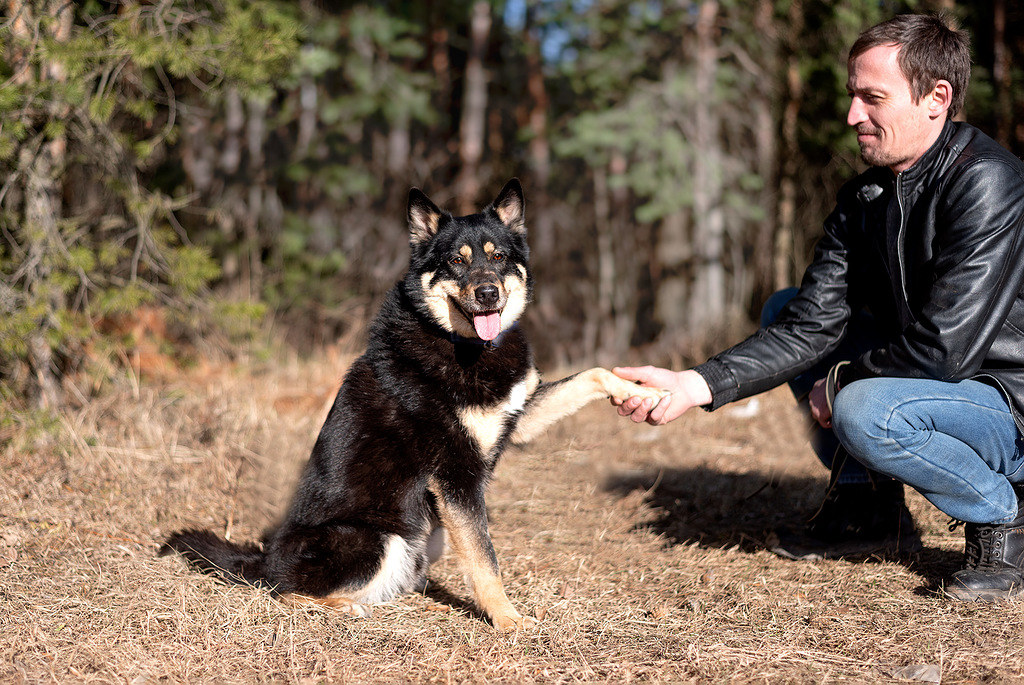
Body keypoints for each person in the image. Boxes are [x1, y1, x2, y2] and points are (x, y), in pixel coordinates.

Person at [614, 13, 1024, 602]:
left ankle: (1004, 518)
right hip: (938, 381)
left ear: (937, 99)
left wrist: (841, 381)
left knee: (864, 409)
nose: (853, 115)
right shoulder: (865, 196)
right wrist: (695, 384)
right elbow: (809, 327)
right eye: (852, 95)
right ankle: (867, 506)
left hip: (1005, 400)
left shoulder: (987, 180)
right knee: (784, 306)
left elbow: (947, 346)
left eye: (872, 97)